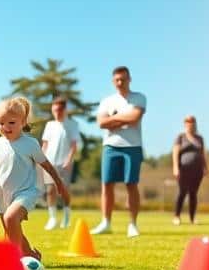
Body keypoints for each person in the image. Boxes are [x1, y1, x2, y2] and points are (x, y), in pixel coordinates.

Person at [0, 96, 68, 262]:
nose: (6, 127)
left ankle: (14, 264)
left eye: (11, 122)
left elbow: (47, 165)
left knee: (11, 219)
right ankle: (31, 257)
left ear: (23, 122)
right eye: (1, 123)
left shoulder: (30, 144)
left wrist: (59, 183)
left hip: (26, 192)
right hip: (1, 196)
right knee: (11, 231)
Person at [92, 66, 147, 238]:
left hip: (132, 146)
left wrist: (113, 119)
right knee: (107, 185)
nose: (120, 82)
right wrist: (122, 119)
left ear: (129, 79)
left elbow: (134, 118)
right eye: (117, 79)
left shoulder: (139, 98)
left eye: (123, 79)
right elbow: (101, 123)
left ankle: (133, 224)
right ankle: (106, 222)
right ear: (113, 81)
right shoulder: (107, 101)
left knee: (131, 185)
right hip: (110, 146)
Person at [40, 96, 81, 230]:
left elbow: (74, 145)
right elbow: (45, 144)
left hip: (65, 163)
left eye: (59, 110)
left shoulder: (73, 124)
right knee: (50, 190)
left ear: (64, 110)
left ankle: (66, 216)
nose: (57, 112)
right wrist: (41, 159)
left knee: (64, 191)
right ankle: (52, 219)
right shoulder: (50, 125)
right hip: (49, 162)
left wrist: (69, 160)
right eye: (54, 109)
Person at [172, 114, 209, 225]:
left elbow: (202, 154)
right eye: (188, 122)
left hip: (197, 170)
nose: (190, 124)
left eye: (192, 122)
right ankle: (176, 216)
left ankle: (192, 218)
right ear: (185, 124)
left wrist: (205, 168)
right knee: (182, 192)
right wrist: (175, 167)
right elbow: (175, 153)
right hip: (183, 169)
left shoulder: (199, 138)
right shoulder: (181, 137)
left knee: (193, 193)